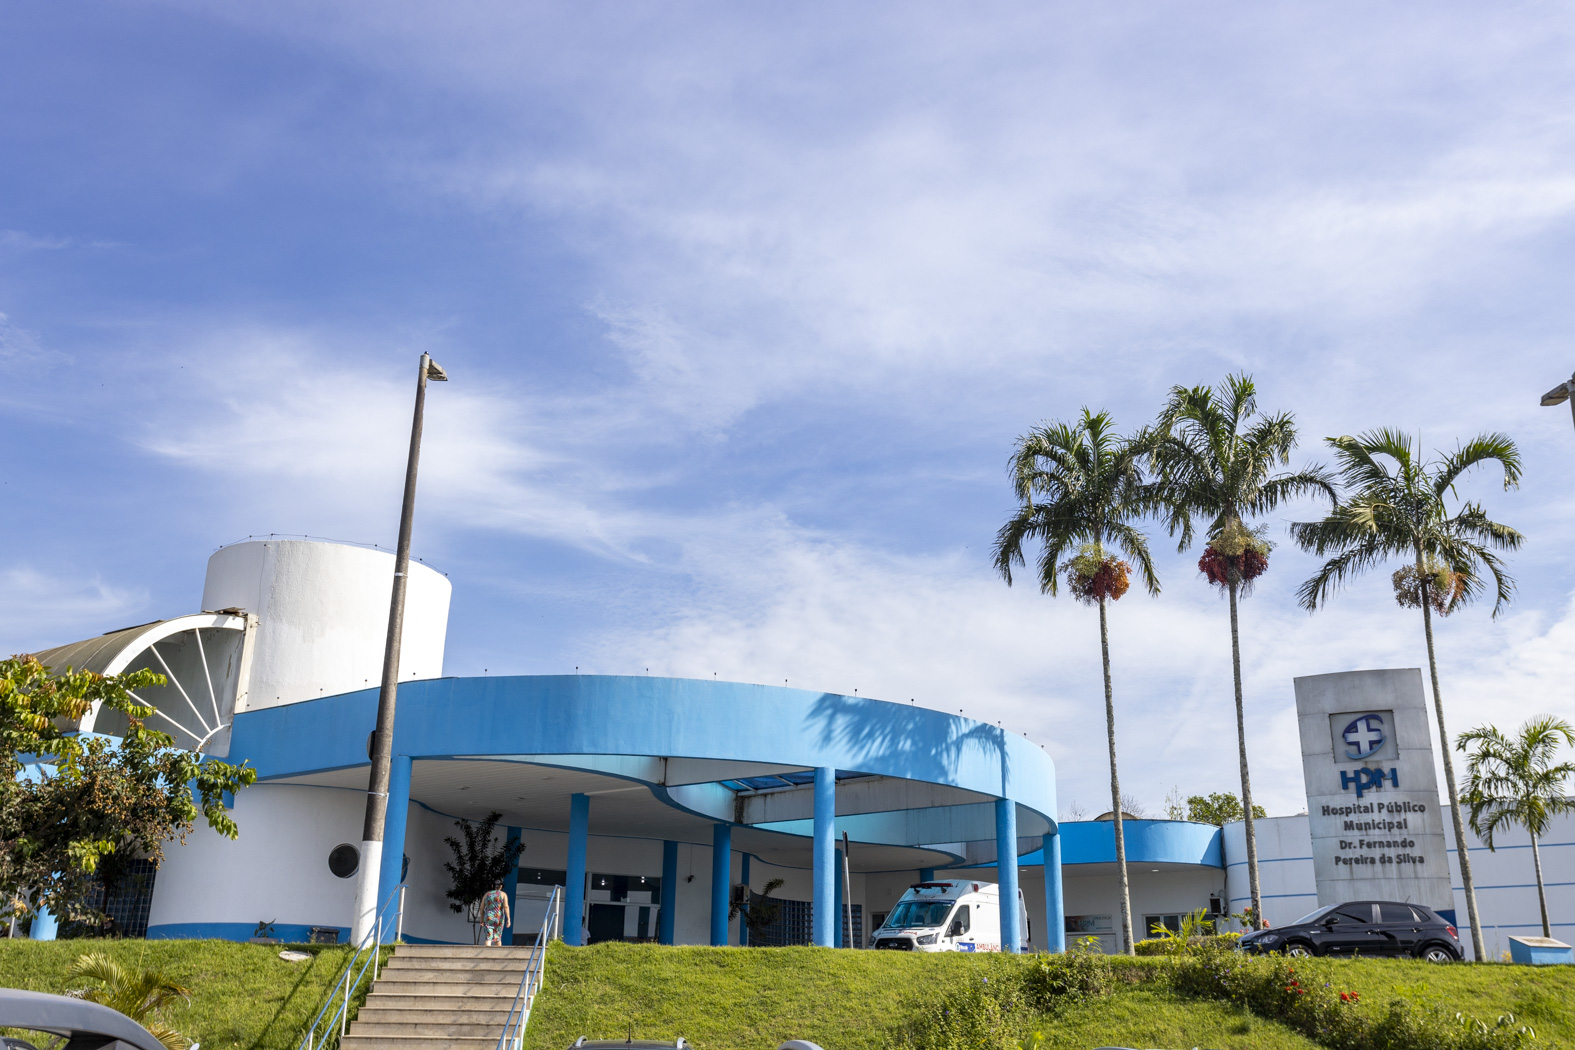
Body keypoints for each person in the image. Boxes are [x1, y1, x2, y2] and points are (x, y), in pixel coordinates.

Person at [479, 879, 511, 946]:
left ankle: (486, 952)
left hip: (488, 918)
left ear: (492, 886)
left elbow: (481, 908)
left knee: (488, 937)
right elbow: (506, 907)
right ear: (501, 886)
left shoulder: (487, 894)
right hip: (499, 918)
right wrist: (508, 919)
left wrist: (482, 919)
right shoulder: (503, 894)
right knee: (498, 937)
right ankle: (498, 952)